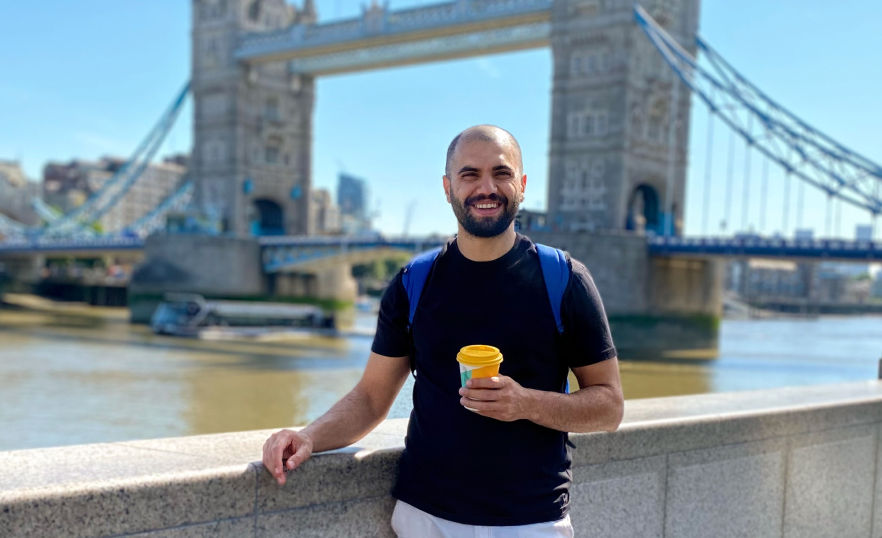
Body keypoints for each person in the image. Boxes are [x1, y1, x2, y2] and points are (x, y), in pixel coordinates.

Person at [261, 125, 623, 537]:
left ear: (521, 185)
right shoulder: (413, 282)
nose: (486, 188)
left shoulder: (564, 279)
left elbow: (609, 406)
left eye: (501, 173)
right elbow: (370, 397)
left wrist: (525, 403)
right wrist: (309, 436)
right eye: (470, 175)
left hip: (530, 522)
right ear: (448, 187)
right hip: (424, 518)